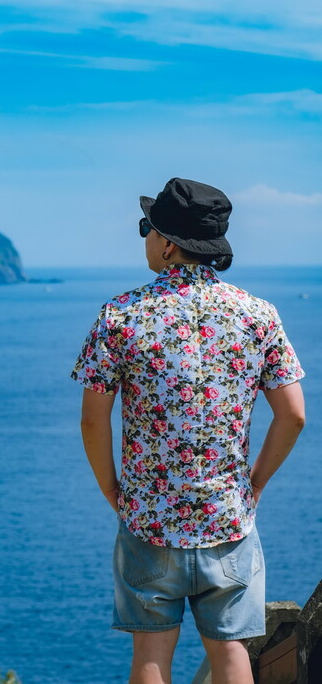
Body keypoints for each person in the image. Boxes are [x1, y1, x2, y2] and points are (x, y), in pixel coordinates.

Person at [70, 177, 306, 684]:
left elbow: (94, 418)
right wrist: (256, 482)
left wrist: (111, 488)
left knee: (151, 659)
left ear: (168, 242)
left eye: (146, 229)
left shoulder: (120, 316)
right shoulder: (258, 315)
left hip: (147, 519)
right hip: (228, 518)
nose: (146, 241)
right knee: (231, 654)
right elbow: (294, 416)